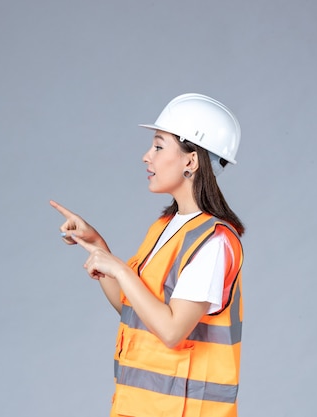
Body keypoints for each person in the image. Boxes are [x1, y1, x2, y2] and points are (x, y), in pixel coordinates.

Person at [50, 93, 245, 417]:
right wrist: (98, 246)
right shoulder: (165, 226)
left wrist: (121, 270)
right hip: (139, 407)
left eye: (158, 146)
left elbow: (171, 331)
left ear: (190, 161)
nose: (146, 156)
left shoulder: (213, 241)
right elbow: (136, 311)